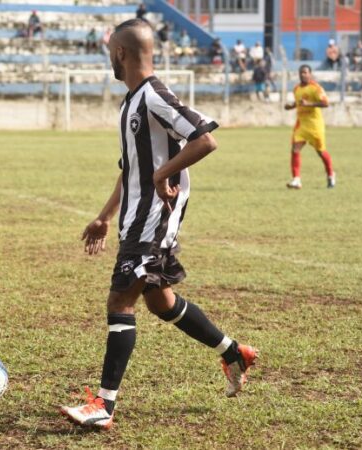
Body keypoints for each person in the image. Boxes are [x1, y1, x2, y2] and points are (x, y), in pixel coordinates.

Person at [59, 19, 256, 430]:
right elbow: (130, 168)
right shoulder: (130, 101)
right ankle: (233, 352)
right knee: (159, 301)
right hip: (134, 215)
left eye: (110, 52)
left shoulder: (153, 95)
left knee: (120, 301)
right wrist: (103, 216)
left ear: (120, 53)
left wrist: (162, 173)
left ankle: (103, 406)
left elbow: (204, 138)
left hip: (154, 215)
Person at [284, 65, 335, 189]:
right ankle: (296, 180)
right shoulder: (296, 89)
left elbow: (326, 103)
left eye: (305, 72)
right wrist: (291, 106)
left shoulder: (316, 88)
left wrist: (309, 104)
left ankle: (330, 174)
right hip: (301, 124)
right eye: (301, 72)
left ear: (310, 74)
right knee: (295, 149)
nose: (303, 75)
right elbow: (299, 103)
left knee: (321, 152)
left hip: (314, 126)